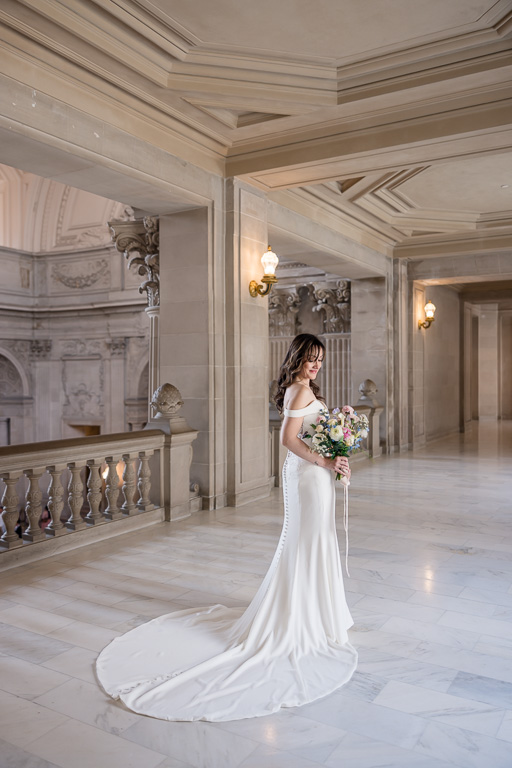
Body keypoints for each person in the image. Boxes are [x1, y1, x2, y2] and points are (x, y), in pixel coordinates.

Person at [96, 333, 357, 721]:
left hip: (312, 474)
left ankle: (319, 613)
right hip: (306, 476)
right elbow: (288, 439)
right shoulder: (298, 391)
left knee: (315, 539)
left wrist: (337, 451)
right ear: (297, 358)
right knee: (308, 541)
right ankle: (304, 618)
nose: (316, 364)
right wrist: (323, 461)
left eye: (320, 358)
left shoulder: (303, 388)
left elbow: (309, 436)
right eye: (310, 358)